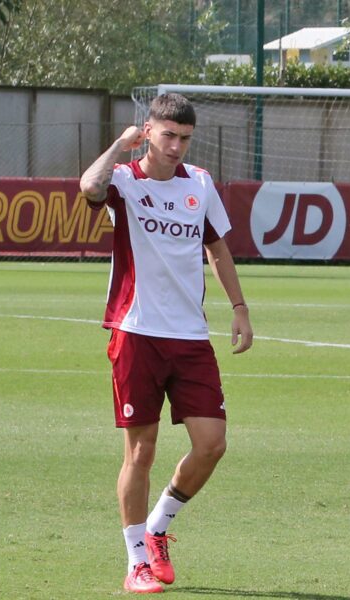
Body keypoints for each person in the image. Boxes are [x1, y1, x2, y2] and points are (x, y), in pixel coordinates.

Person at [79, 93, 253, 594]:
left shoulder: (200, 184)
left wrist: (239, 309)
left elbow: (217, 248)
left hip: (191, 336)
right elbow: (89, 185)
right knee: (141, 452)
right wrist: (119, 145)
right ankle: (136, 559)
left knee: (212, 444)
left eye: (185, 138)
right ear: (148, 131)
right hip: (136, 332)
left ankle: (157, 528)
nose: (176, 146)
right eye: (168, 135)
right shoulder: (125, 181)